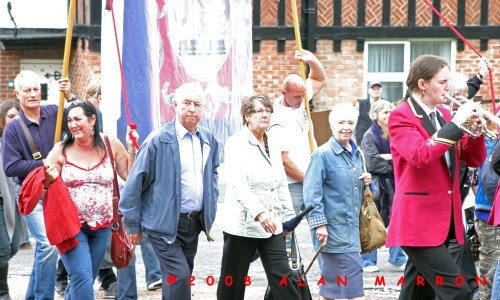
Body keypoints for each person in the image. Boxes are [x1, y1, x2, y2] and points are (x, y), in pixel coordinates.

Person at [386, 54, 486, 299]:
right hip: (417, 223)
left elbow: (473, 160)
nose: (448, 87)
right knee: (457, 291)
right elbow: (420, 155)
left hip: (443, 220)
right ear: (423, 84)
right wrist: (457, 124)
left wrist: (475, 131)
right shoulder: (402, 116)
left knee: (418, 293)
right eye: (442, 82)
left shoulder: (443, 115)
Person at [119, 82, 221, 299]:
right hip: (163, 224)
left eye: (197, 104)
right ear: (175, 105)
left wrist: (211, 201)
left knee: (176, 280)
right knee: (180, 276)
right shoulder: (158, 140)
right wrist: (132, 224)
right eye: (186, 103)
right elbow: (134, 184)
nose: (192, 109)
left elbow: (212, 173)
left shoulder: (208, 140)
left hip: (193, 223)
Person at [41, 99, 137, 299]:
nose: (73, 124)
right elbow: (43, 187)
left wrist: (131, 148)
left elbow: (129, 174)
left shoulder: (110, 144)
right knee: (83, 279)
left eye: (78, 119)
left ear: (92, 120)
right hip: (71, 228)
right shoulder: (60, 150)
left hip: (102, 227)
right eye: (69, 120)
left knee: (83, 280)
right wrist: (48, 179)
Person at [216, 94, 300, 300]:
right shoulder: (236, 143)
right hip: (243, 227)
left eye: (268, 110)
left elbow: (280, 182)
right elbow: (238, 185)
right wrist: (260, 213)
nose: (264, 114)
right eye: (258, 111)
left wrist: (288, 219)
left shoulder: (273, 141)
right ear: (246, 116)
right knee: (232, 284)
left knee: (283, 278)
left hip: (273, 226)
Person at [1, 70, 75, 300]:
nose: (33, 94)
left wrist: (70, 96)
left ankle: (32, 296)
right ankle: (44, 297)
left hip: (58, 190)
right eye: (27, 91)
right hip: (31, 193)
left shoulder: (55, 111)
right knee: (48, 244)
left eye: (36, 90)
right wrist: (44, 163)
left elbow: (86, 119)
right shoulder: (13, 127)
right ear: (18, 93)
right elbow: (10, 168)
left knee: (47, 249)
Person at [303, 102, 371, 300]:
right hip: (332, 233)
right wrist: (319, 225)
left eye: (350, 122)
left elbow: (365, 195)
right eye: (341, 122)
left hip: (353, 232)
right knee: (353, 291)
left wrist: (369, 183)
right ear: (332, 125)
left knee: (331, 291)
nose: (346, 127)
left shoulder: (358, 154)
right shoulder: (322, 155)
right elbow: (311, 194)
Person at [268, 48, 326, 216]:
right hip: (291, 184)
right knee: (286, 230)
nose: (302, 101)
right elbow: (283, 161)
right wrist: (307, 180)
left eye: (303, 96)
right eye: (296, 97)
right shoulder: (275, 118)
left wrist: (312, 60)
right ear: (284, 93)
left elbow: (318, 79)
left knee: (319, 227)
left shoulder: (301, 100)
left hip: (310, 179)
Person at [360, 100, 406, 273]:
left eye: (390, 112)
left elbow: (404, 154)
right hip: (376, 183)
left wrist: (387, 157)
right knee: (372, 218)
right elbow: (371, 161)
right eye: (384, 112)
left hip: (397, 182)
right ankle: (368, 261)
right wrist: (393, 161)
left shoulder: (398, 131)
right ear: (376, 115)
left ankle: (397, 258)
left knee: (397, 218)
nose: (388, 115)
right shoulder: (369, 135)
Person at [0, 100, 23, 299]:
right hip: (2, 199)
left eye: (18, 117)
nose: (15, 121)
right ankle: (2, 290)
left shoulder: (23, 140)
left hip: (18, 198)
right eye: (10, 117)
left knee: (14, 245)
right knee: (3, 248)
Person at [355, 81, 383, 145]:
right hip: (362, 141)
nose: (376, 91)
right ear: (369, 91)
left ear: (381, 90)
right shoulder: (360, 104)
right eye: (373, 89)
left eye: (378, 89)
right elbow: (353, 122)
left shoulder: (386, 104)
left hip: (381, 141)